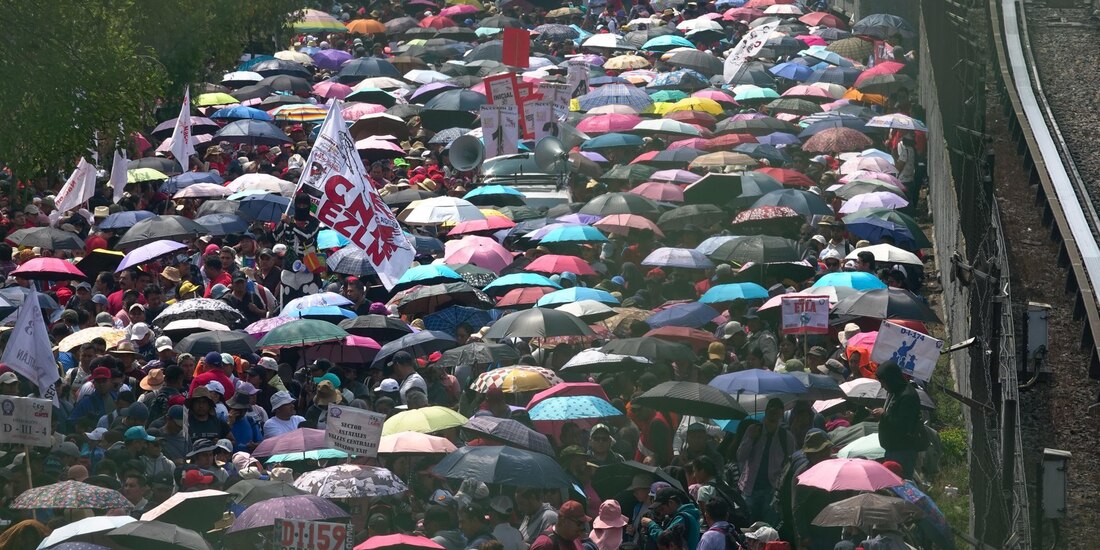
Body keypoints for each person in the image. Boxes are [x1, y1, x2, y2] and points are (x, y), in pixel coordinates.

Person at [736, 398, 795, 526]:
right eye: (771, 408)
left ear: (781, 413)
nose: (774, 412)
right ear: (766, 411)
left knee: (768, 528)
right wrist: (750, 439)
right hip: (749, 488)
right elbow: (740, 456)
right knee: (747, 526)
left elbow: (790, 464)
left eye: (777, 409)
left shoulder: (786, 437)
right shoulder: (753, 430)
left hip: (772, 490)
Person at [875, 360, 929, 479]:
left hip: (902, 450)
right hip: (893, 449)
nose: (882, 386)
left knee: (900, 484)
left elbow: (903, 425)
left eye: (883, 382)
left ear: (891, 379)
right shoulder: (895, 392)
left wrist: (884, 415)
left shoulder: (907, 396)